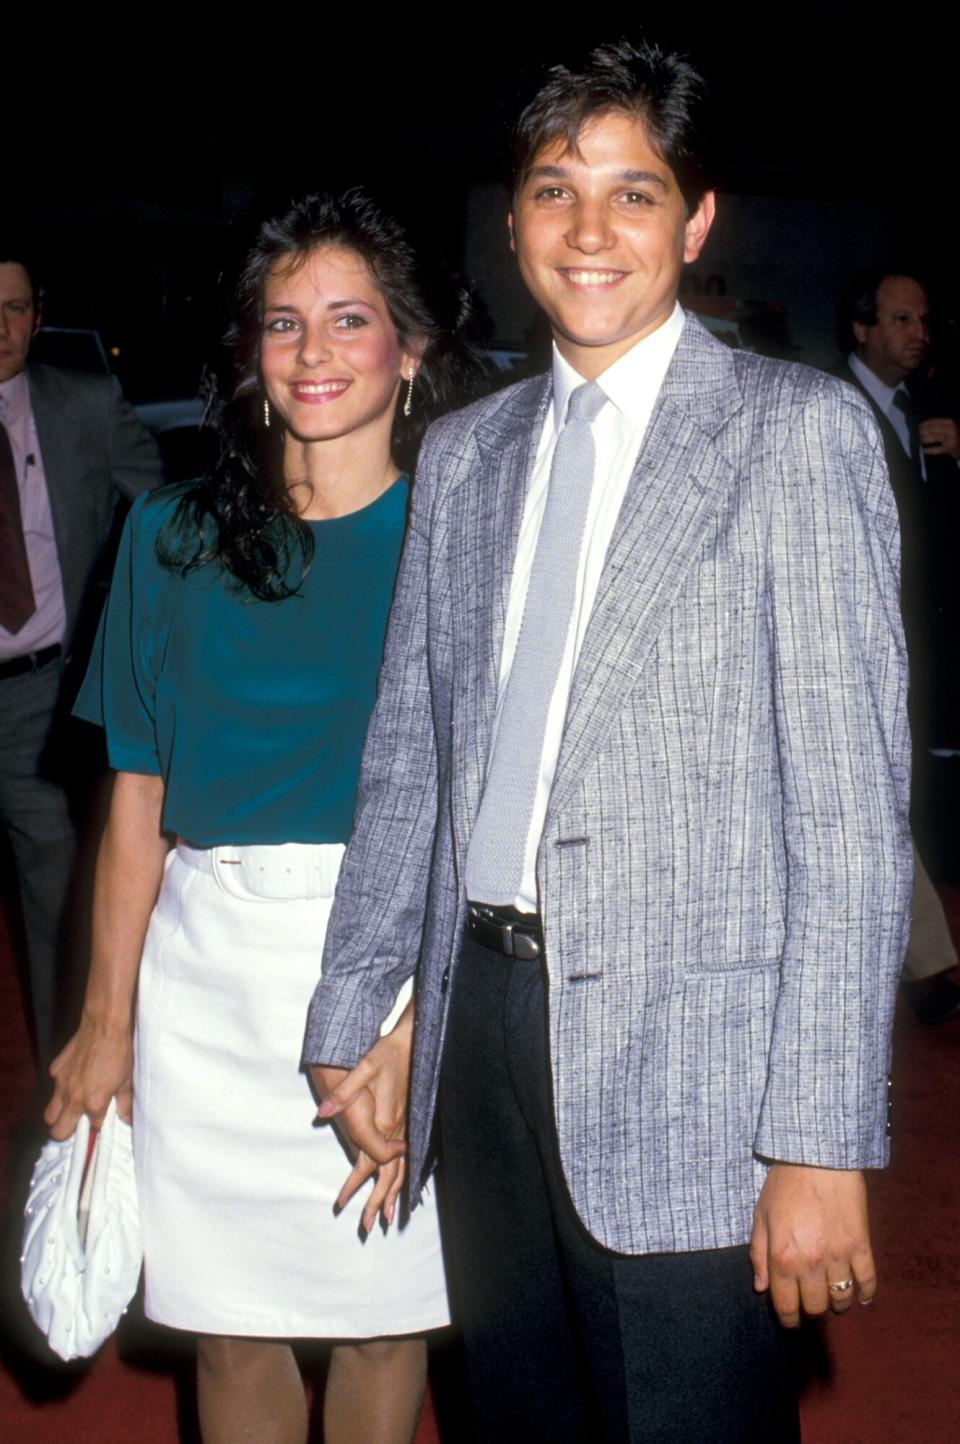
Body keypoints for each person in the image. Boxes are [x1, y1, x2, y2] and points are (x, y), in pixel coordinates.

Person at [305, 41, 911, 1443]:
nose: (590, 232)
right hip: (488, 1040)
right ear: (511, 218)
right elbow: (413, 760)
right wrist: (358, 1011)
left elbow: (845, 821)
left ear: (695, 224)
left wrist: (817, 1138)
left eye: (634, 195)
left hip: (703, 1070)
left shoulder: (796, 437)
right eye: (554, 190)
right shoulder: (464, 455)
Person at [45, 192, 484, 1444]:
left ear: (410, 348)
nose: (312, 352)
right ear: (248, 353)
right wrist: (102, 1022)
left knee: (382, 1320)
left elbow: (489, 804)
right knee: (230, 1331)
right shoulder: (168, 537)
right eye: (282, 323)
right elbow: (135, 796)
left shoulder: (463, 542)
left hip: (391, 966)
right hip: (210, 985)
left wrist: (420, 1023)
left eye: (351, 320)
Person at [0, 245, 161, 1062]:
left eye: (16, 307)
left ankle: (69, 1065)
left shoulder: (85, 406)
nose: (2, 326)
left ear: (38, 315)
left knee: (57, 891)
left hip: (35, 696)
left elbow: (170, 516)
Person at [836, 271, 960, 1024]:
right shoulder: (829, 406)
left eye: (924, 319)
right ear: (861, 329)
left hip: (919, 638)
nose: (917, 332)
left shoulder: (929, 412)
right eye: (900, 318)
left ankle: (921, 968)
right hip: (853, 636)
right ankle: (923, 969)